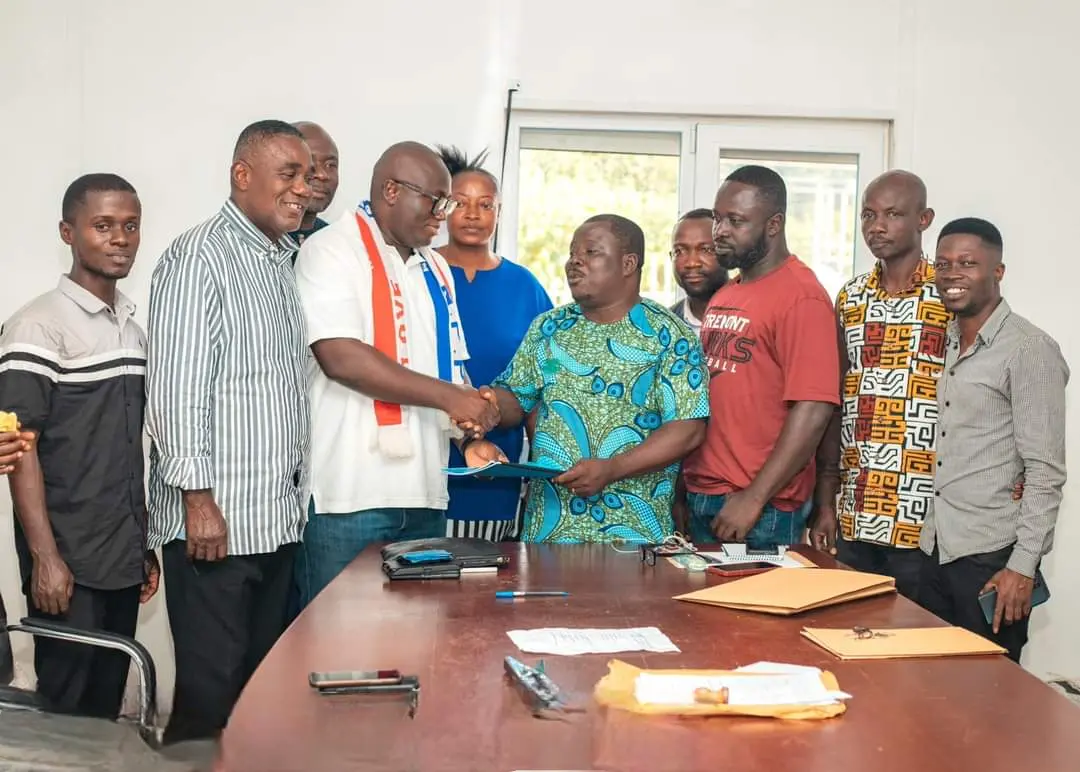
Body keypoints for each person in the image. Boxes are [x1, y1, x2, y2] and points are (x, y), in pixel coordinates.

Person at [146, 120, 313, 743]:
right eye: (288, 174)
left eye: (309, 175)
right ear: (242, 175)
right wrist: (197, 498)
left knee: (254, 691)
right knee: (212, 696)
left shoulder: (278, 260)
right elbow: (175, 387)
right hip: (217, 522)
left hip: (272, 519)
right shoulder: (201, 256)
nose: (304, 187)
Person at [293, 141, 502, 607]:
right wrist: (451, 398)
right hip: (348, 497)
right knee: (336, 648)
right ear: (391, 190)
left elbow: (449, 370)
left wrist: (470, 433)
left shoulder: (435, 267)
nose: (443, 215)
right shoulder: (331, 251)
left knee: (413, 648)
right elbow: (341, 356)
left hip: (425, 494)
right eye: (436, 201)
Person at [0, 173, 157, 718]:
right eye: (103, 226)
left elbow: (125, 450)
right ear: (68, 232)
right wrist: (44, 558)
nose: (120, 239)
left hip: (120, 554)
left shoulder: (132, 330)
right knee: (66, 713)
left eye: (130, 226)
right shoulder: (36, 328)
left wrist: (143, 543)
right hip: (66, 561)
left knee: (105, 706)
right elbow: (19, 450)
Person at [484, 214, 709, 543]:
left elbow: (688, 429)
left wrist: (612, 469)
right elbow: (516, 399)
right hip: (547, 534)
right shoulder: (548, 328)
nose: (575, 261)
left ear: (628, 263)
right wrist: (485, 406)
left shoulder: (668, 335)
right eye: (573, 252)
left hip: (634, 538)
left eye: (591, 252)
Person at [918, 217, 1068, 663]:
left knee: (990, 700)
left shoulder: (1028, 349)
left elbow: (1045, 469)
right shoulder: (946, 340)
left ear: (997, 272)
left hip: (991, 558)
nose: (952, 275)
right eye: (943, 264)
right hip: (937, 547)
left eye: (968, 263)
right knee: (934, 693)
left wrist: (1021, 567)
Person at [679, 166, 840, 548]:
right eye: (718, 218)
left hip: (760, 507)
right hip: (707, 493)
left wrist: (754, 498)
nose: (720, 231)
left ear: (774, 224)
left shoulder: (802, 296)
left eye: (736, 221)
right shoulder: (728, 293)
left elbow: (814, 407)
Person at [809, 171, 943, 599]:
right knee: (853, 636)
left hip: (926, 518)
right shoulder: (850, 297)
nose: (877, 226)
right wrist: (826, 503)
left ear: (924, 219)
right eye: (868, 214)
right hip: (858, 511)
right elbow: (835, 405)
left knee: (917, 652)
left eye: (893, 214)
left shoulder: (948, 295)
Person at [435, 145, 553, 541]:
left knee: (487, 586)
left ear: (499, 213)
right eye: (460, 203)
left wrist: (540, 463)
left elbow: (544, 383)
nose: (472, 214)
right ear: (442, 208)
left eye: (485, 205)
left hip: (499, 460)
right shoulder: (418, 273)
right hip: (426, 455)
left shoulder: (525, 287)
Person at [668, 208, 728, 336]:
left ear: (726, 254)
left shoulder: (754, 317)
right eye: (679, 251)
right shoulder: (663, 327)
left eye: (706, 250)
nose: (692, 263)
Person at [288, 121, 339, 247]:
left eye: (330, 165)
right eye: (310, 162)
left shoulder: (336, 244)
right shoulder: (256, 239)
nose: (322, 175)